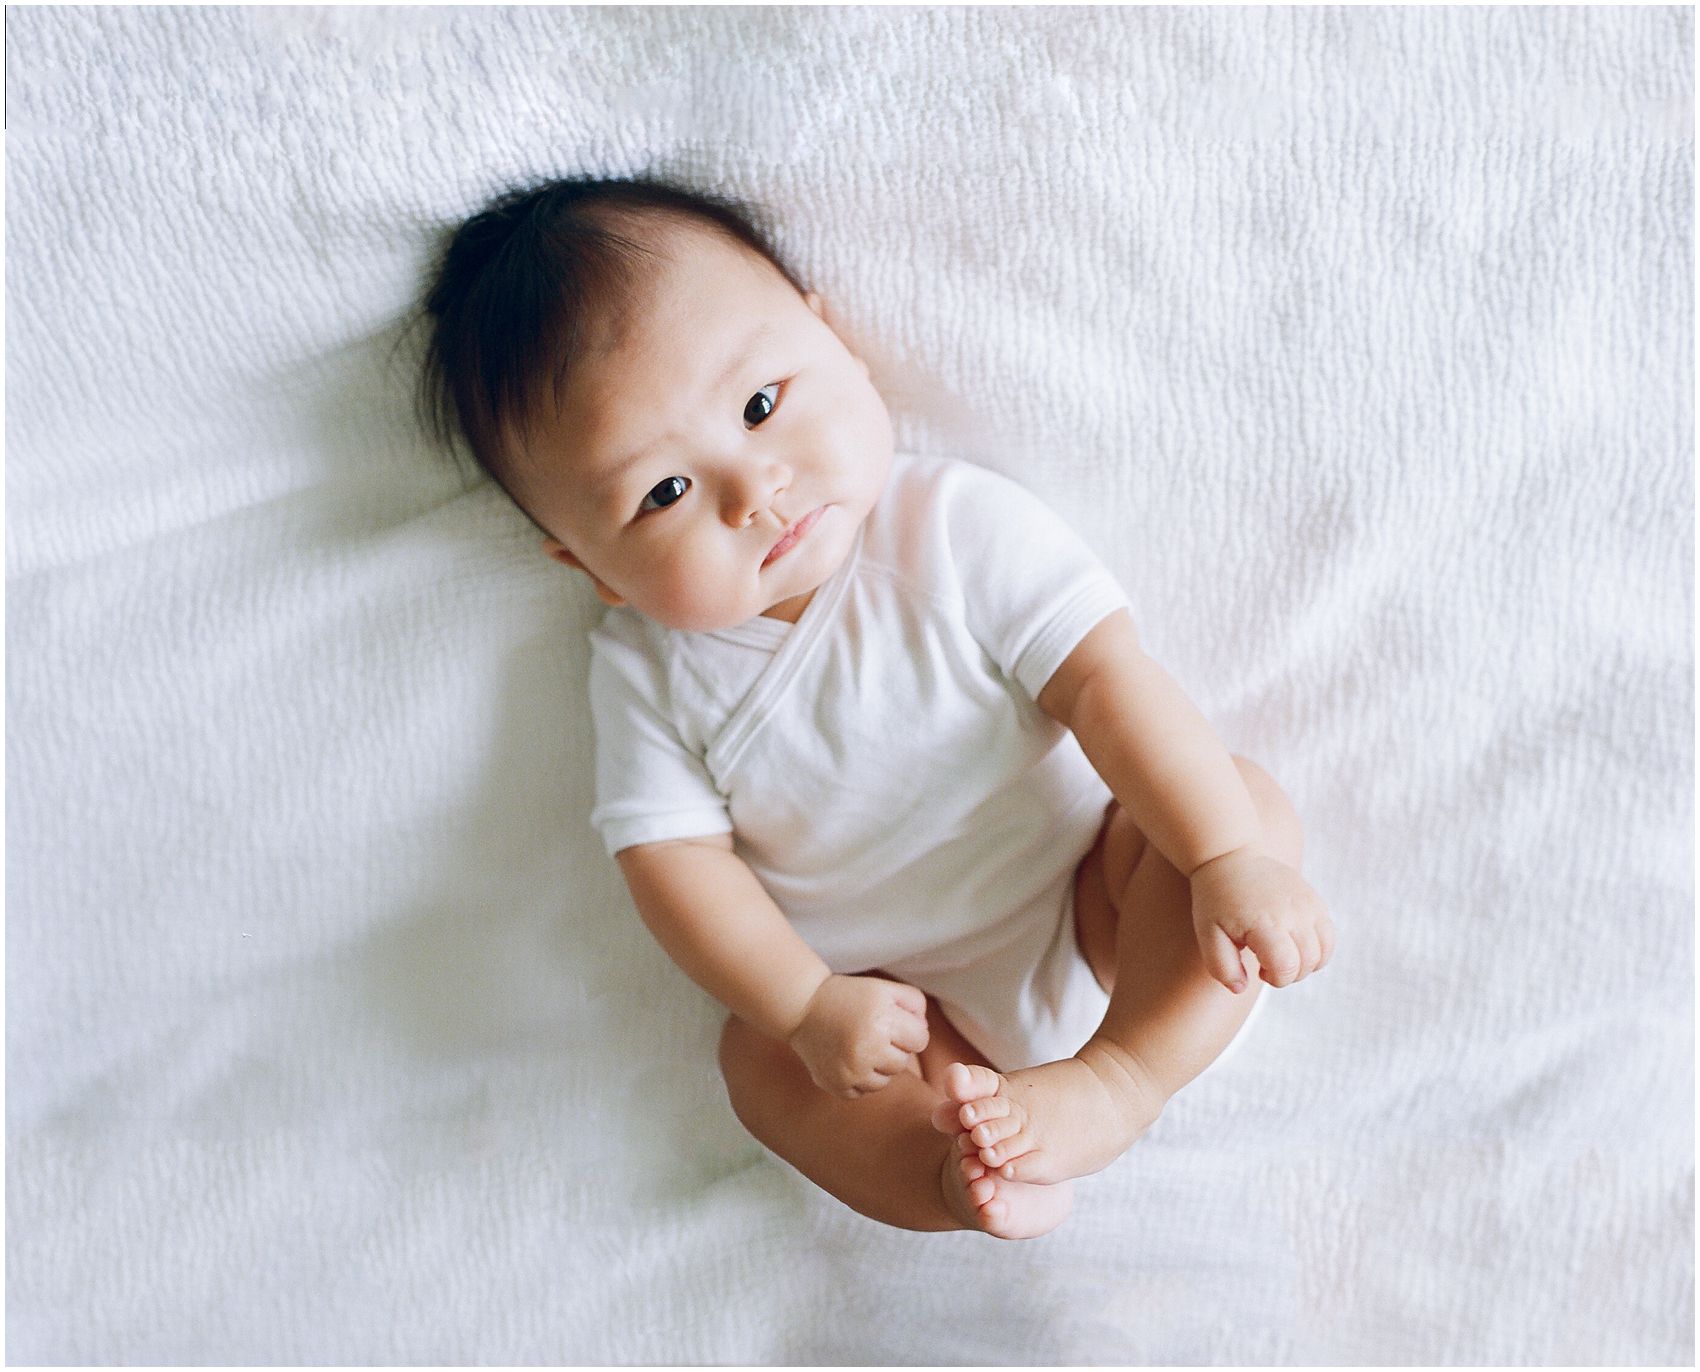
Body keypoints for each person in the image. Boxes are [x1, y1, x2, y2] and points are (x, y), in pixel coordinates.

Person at [418, 175, 1335, 1239]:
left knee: (1241, 805)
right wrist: (801, 1004)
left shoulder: (948, 528)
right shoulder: (646, 671)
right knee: (755, 1064)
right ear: (592, 567)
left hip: (1087, 897)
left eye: (760, 405)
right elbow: (673, 866)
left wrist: (1223, 858)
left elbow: (1106, 683)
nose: (752, 492)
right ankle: (949, 1175)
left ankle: (1120, 1078)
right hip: (894, 1013)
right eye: (661, 493)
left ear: (832, 338)